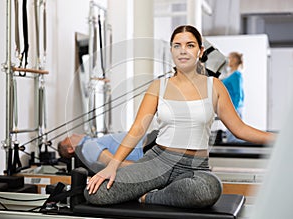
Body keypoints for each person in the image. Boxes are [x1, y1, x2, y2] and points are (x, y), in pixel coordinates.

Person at [85, 25, 275, 208]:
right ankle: (164, 191)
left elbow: (239, 129)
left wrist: (280, 139)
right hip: (158, 161)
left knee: (208, 190)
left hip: (195, 166)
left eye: (190, 45)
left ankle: (149, 197)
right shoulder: (159, 86)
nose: (183, 50)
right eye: (177, 45)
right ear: (172, 51)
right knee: (96, 192)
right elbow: (137, 129)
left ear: (200, 51)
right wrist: (112, 166)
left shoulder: (214, 86)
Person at [58, 130, 158, 168]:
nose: (74, 134)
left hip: (149, 141)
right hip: (149, 147)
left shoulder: (91, 143)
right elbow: (113, 162)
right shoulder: (87, 147)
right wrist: (146, 167)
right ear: (71, 149)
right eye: (70, 138)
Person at [222, 52, 245, 142]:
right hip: (230, 107)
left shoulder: (236, 75)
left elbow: (238, 94)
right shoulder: (230, 74)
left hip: (235, 107)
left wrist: (233, 110)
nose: (228, 60)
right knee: (231, 134)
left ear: (235, 60)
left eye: (229, 58)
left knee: (234, 136)